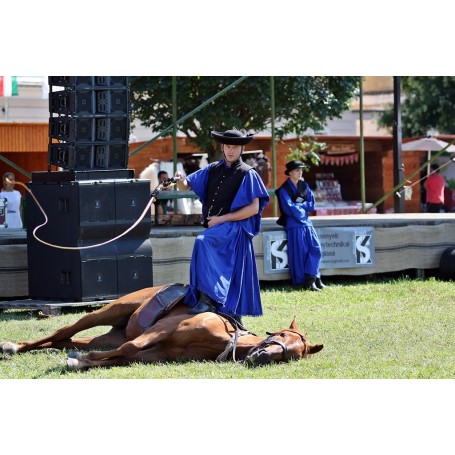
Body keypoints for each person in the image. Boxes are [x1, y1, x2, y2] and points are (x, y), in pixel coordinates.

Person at [174, 129, 270, 323]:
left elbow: (254, 208)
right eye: (228, 146)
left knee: (203, 241)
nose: (231, 150)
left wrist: (222, 219)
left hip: (234, 227)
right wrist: (180, 180)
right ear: (222, 147)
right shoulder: (212, 169)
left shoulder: (248, 173)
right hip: (218, 228)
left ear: (241, 148)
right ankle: (222, 310)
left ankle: (206, 300)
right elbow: (186, 185)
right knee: (206, 245)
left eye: (235, 147)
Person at [276, 160, 325, 291]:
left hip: (307, 223)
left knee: (316, 249)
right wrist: (302, 208)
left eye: (301, 170)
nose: (300, 172)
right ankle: (309, 281)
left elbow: (311, 205)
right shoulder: (283, 190)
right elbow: (289, 208)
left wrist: (300, 206)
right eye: (297, 170)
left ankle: (314, 277)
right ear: (290, 172)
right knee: (301, 252)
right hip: (294, 225)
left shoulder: (305, 186)